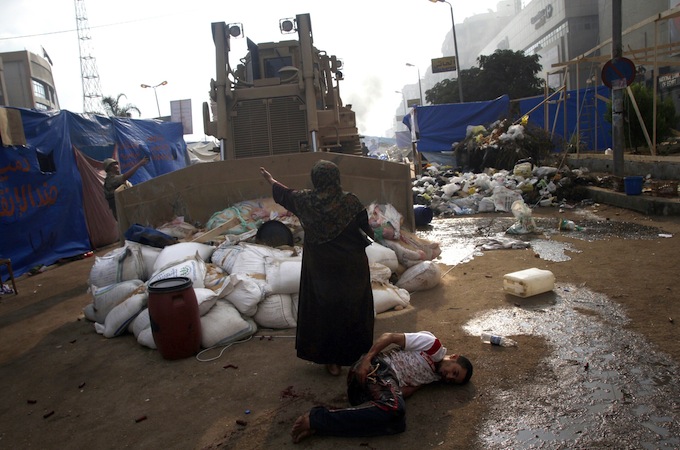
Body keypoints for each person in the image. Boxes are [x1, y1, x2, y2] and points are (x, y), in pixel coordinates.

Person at [260, 160, 374, 376]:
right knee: (352, 307)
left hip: (321, 269)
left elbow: (285, 194)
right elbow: (366, 230)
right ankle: (357, 355)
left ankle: (332, 361)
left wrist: (271, 180)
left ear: (315, 179)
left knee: (325, 311)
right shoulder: (350, 201)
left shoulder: (305, 200)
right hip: (351, 267)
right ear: (336, 178)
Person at [290, 331, 473, 443]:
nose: (448, 377)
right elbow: (390, 337)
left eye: (452, 380)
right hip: (375, 367)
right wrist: (367, 360)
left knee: (397, 423)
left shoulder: (433, 377)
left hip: (365, 394)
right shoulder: (433, 345)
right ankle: (317, 418)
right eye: (454, 372)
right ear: (454, 357)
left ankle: (322, 426)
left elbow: (404, 391)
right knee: (395, 408)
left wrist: (400, 392)